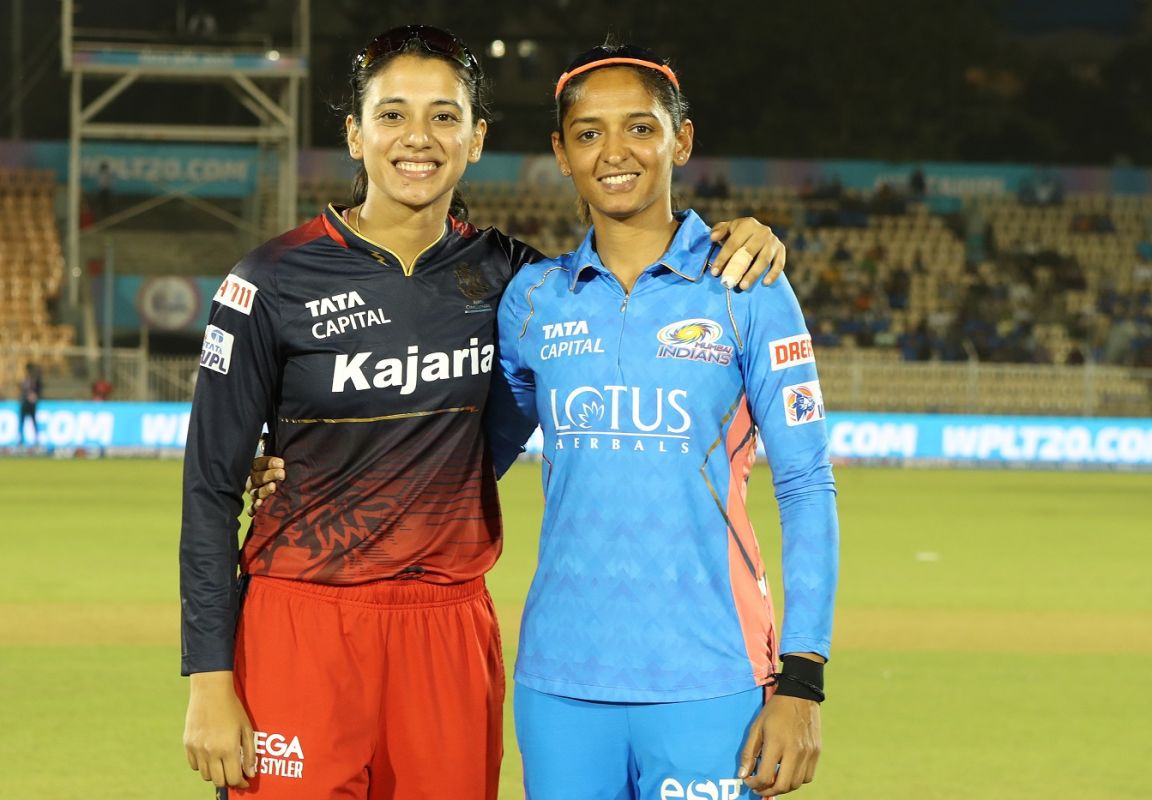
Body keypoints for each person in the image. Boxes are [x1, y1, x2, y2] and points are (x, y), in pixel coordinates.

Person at [181, 25, 787, 800]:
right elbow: (208, 490)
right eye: (393, 114)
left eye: (444, 116)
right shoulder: (270, 279)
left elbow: (611, 288)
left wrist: (739, 237)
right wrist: (208, 678)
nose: (418, 138)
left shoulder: (520, 284)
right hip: (300, 619)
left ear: (476, 139)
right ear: (354, 133)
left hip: (447, 625)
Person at [488, 42, 838, 799]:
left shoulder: (748, 284)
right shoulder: (533, 301)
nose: (615, 153)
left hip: (711, 678)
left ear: (681, 139)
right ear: (560, 153)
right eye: (588, 134)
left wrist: (803, 680)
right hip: (560, 680)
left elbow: (808, 484)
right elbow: (462, 465)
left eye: (640, 128)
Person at [18, 363, 42, 446]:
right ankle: (21, 440)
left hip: (31, 404)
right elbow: (22, 390)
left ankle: (36, 439)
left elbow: (39, 391)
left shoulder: (35, 380)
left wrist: (35, 396)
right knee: (22, 421)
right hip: (24, 403)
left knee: (33, 421)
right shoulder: (25, 380)